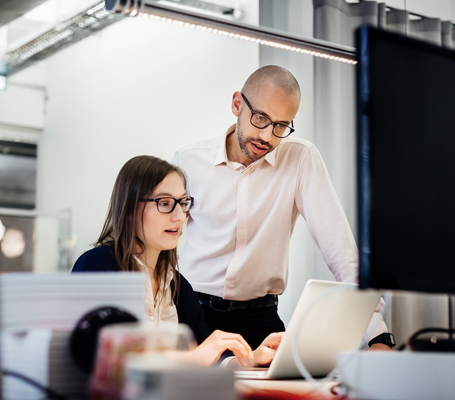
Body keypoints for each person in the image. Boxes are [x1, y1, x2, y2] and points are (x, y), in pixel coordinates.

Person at [172, 65, 394, 351]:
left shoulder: (301, 159)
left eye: (280, 126)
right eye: (260, 118)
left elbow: (342, 254)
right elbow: (158, 244)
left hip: (261, 323)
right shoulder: (189, 160)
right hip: (193, 316)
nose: (267, 136)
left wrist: (377, 336)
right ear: (237, 103)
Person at [72, 155, 284, 367]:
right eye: (165, 203)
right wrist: (193, 357)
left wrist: (251, 358)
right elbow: (100, 355)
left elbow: (206, 359)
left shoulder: (179, 286)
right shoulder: (98, 265)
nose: (180, 216)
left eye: (183, 203)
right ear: (129, 208)